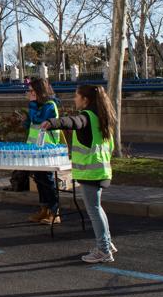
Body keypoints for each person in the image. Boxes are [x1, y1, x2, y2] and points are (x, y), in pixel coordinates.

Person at [40, 84, 117, 262]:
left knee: (94, 211)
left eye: (76, 96)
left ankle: (104, 251)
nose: (74, 99)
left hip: (91, 173)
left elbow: (73, 122)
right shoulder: (102, 117)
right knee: (98, 209)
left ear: (85, 99)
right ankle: (106, 243)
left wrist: (52, 123)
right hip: (102, 171)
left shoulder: (87, 117)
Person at [25, 77, 64, 225]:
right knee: (39, 179)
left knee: (47, 181)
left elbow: (38, 119)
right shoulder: (37, 104)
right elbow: (30, 123)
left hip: (47, 149)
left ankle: (55, 212)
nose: (29, 94)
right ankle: (44, 209)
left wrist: (32, 104)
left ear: (39, 91)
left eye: (31, 91)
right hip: (36, 148)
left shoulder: (50, 105)